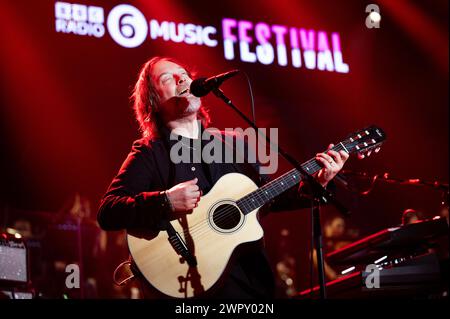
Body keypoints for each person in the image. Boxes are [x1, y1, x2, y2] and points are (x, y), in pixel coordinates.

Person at [97, 56, 350, 299]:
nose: (181, 79)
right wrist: (165, 201)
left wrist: (318, 181)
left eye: (184, 75)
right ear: (152, 101)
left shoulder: (233, 144)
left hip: (248, 284)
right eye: (168, 79)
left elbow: (267, 198)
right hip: (186, 287)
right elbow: (109, 210)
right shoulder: (150, 152)